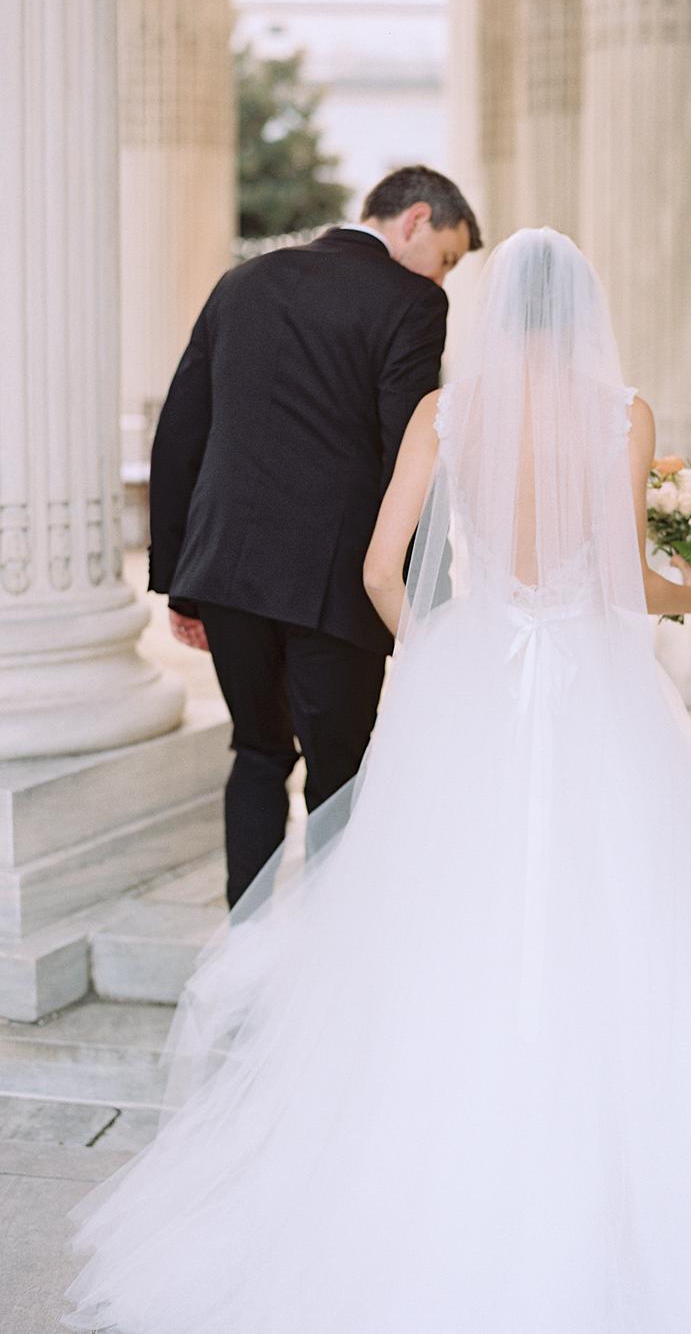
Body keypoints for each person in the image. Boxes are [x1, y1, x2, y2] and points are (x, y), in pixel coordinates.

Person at [63, 229, 691, 1333]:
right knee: (629, 914)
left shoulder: (447, 415)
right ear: (583, 312)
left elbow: (376, 567)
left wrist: (443, 648)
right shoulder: (620, 416)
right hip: (594, 697)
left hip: (477, 686)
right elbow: (630, 582)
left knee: (450, 919)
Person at [147, 165, 480, 908]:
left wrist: (181, 579)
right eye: (449, 256)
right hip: (337, 590)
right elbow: (411, 457)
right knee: (340, 774)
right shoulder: (413, 302)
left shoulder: (243, 281)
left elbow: (181, 432)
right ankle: (324, 964)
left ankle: (246, 950)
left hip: (227, 575)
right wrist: (434, 597)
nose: (445, 275)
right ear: (415, 220)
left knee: (258, 754)